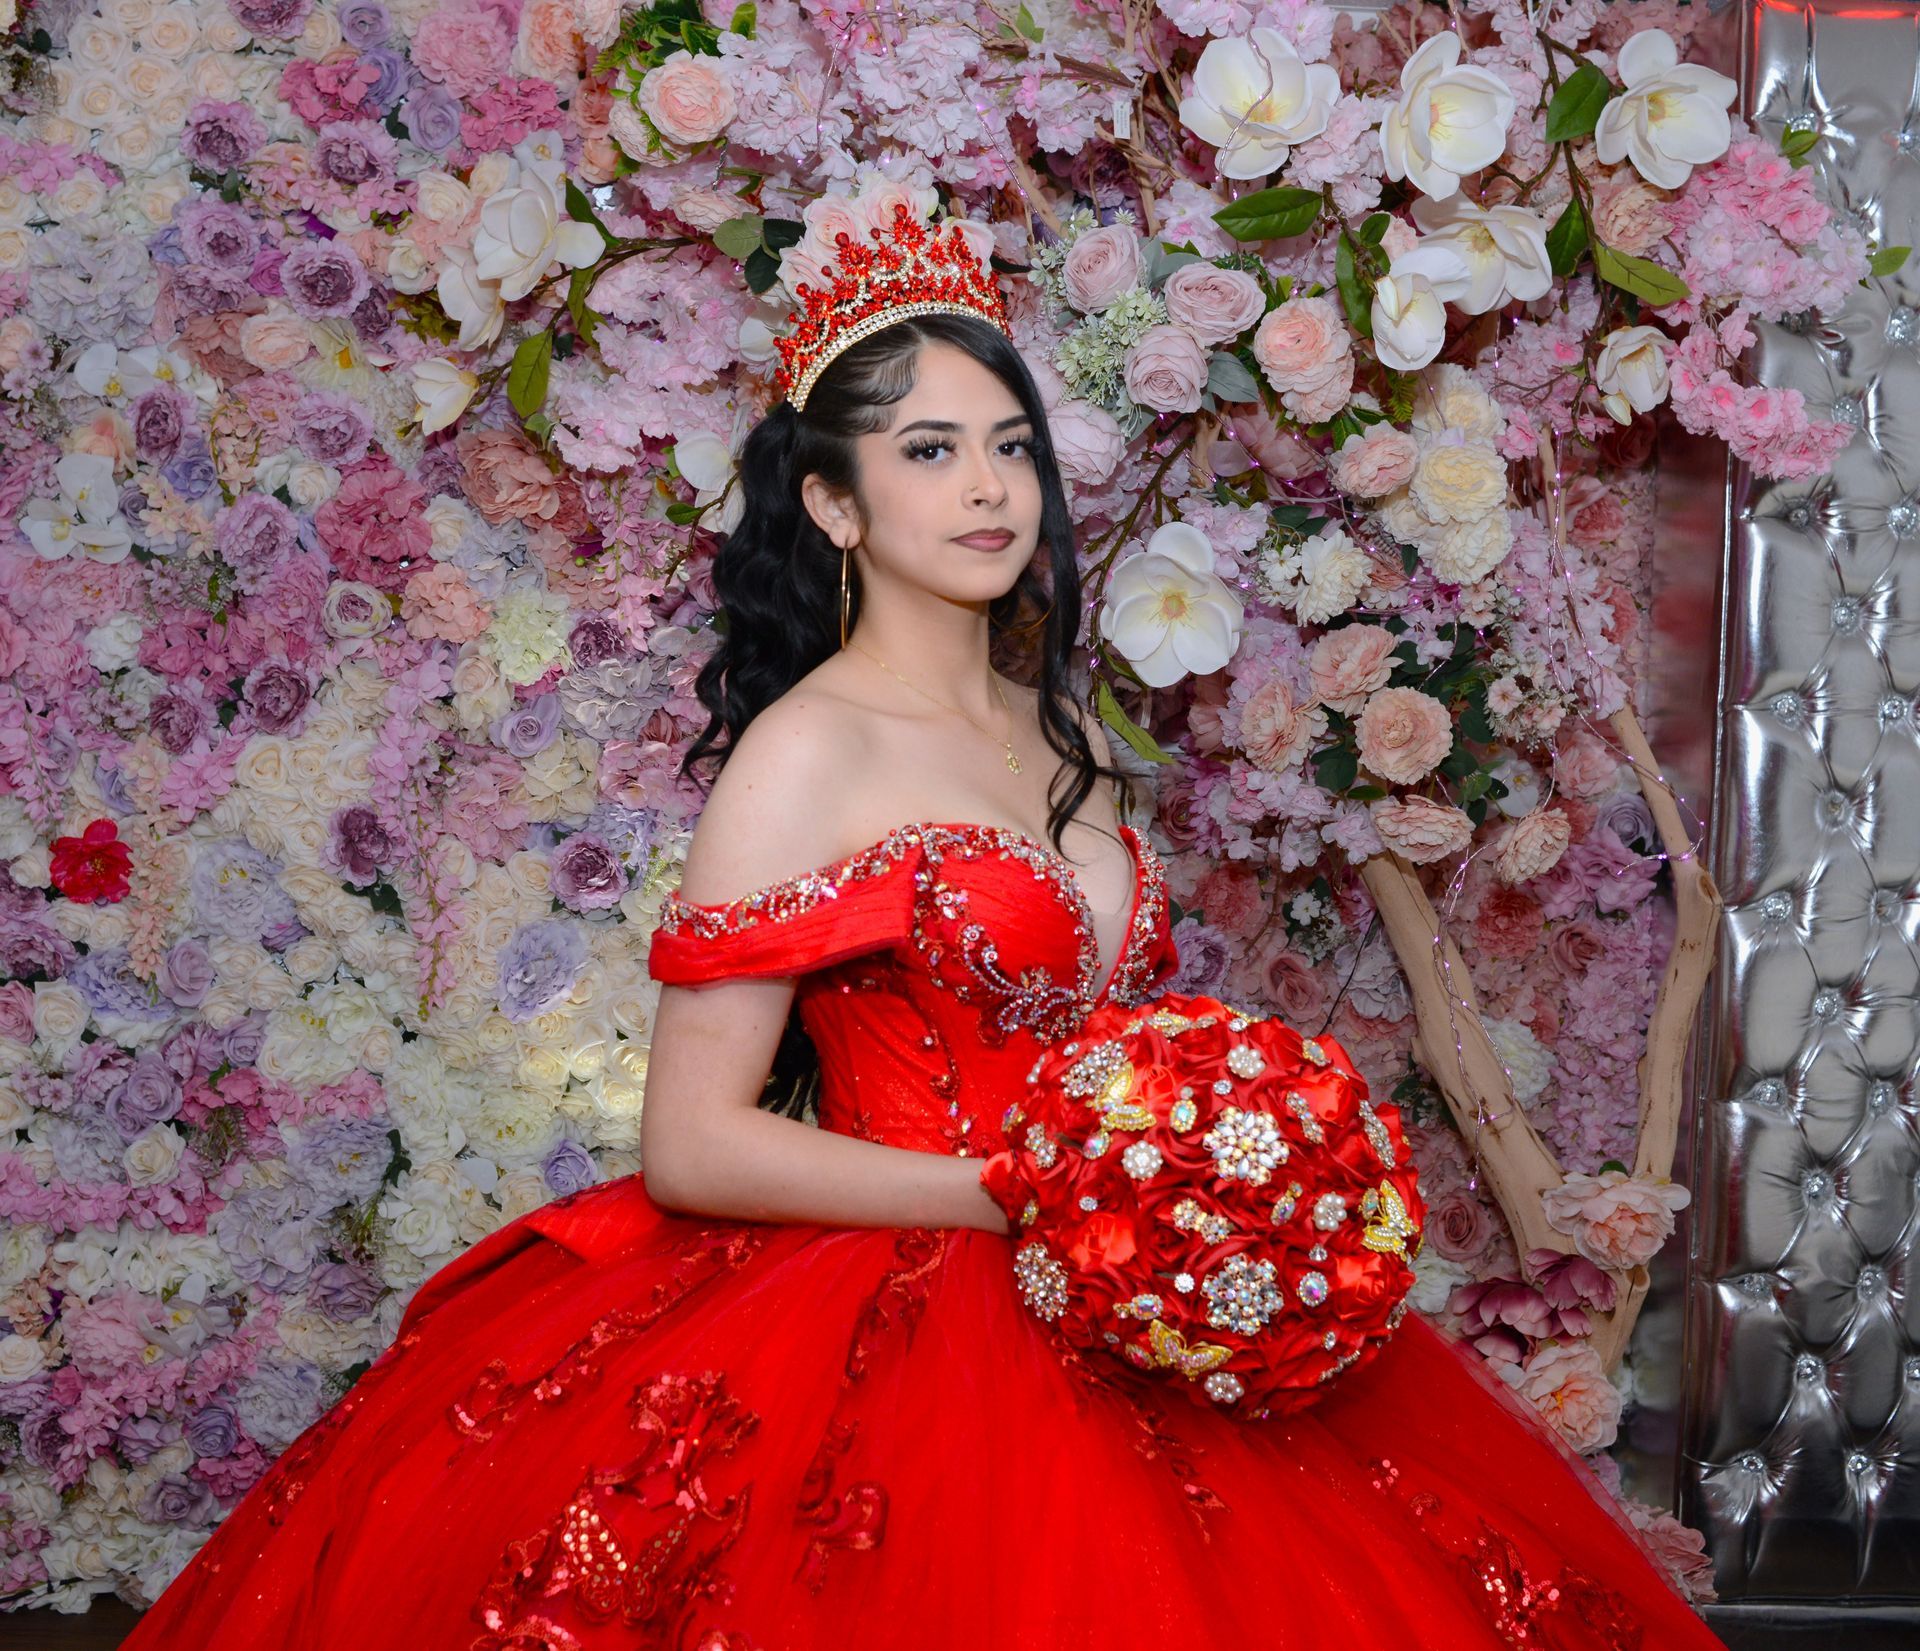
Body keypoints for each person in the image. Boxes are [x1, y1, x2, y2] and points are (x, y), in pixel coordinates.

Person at [119, 211, 1727, 1650]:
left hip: (1113, 1294)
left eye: (1011, 447)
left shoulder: (1057, 732)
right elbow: (694, 1143)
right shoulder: (805, 747)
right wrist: (1047, 1193)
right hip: (898, 1317)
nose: (987, 489)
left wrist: (1186, 1186)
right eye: (932, 451)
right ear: (831, 500)